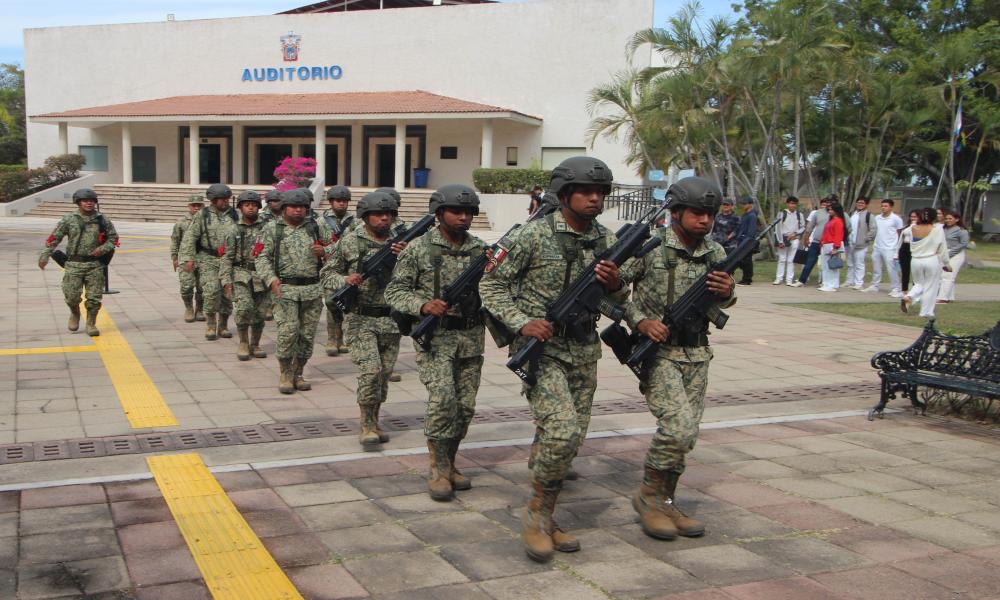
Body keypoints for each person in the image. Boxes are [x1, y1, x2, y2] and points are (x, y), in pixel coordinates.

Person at [480, 156, 624, 563]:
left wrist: (616, 286)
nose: (595, 198)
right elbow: (490, 285)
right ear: (564, 195)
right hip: (543, 350)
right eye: (586, 191)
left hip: (583, 349)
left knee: (569, 438)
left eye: (600, 192)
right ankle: (536, 515)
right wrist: (521, 322)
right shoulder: (531, 235)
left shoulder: (606, 239)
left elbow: (616, 301)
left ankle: (549, 514)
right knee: (561, 431)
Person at [621, 176, 736, 541]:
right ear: (675, 213)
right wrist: (640, 320)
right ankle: (648, 497)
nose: (705, 221)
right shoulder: (650, 247)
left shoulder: (715, 253)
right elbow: (613, 290)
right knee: (677, 428)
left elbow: (724, 302)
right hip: (659, 353)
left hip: (698, 352)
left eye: (710, 215)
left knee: (688, 436)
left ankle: (667, 500)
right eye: (698, 213)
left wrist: (728, 291)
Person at [385, 184, 487, 501]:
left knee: (465, 408)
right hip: (436, 339)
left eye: (469, 212)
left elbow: (498, 289)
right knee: (443, 401)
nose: (463, 217)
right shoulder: (418, 249)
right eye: (456, 210)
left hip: (471, 338)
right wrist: (423, 305)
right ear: (439, 213)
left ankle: (452, 461)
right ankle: (439, 468)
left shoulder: (480, 251)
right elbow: (394, 291)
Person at [322, 192, 407, 447]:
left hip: (391, 320)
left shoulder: (402, 244)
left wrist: (404, 257)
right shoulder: (350, 242)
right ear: (365, 216)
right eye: (379, 214)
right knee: (370, 371)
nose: (384, 218)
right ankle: (366, 424)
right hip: (360, 318)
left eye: (389, 214)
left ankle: (375, 418)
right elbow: (327, 274)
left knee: (383, 376)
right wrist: (345, 280)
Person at [255, 189, 327, 393]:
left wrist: (326, 251)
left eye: (303, 207)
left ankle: (299, 372)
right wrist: (271, 279)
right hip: (284, 290)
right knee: (288, 333)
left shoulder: (316, 227)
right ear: (284, 208)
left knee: (306, 335)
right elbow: (260, 257)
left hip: (312, 290)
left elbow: (339, 249)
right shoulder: (271, 229)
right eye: (294, 207)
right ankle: (285, 372)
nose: (298, 210)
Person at [38, 187, 119, 336]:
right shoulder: (69, 219)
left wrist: (102, 249)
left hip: (95, 264)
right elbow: (54, 238)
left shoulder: (102, 219)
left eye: (91, 201)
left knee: (94, 298)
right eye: (85, 201)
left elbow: (113, 238)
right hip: (73, 264)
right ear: (78, 202)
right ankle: (75, 313)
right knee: (71, 296)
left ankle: (91, 323)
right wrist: (44, 256)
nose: (89, 203)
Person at [179, 183, 238, 340]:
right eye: (221, 199)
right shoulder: (202, 215)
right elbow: (190, 237)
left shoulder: (235, 215)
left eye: (227, 199)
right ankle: (211, 325)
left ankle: (224, 325)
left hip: (229, 259)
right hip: (208, 259)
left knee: (227, 295)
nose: (225, 202)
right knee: (211, 292)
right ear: (213, 200)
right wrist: (188, 258)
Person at [220, 191, 269, 361]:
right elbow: (227, 256)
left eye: (254, 205)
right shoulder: (233, 229)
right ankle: (243, 341)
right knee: (244, 307)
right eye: (247, 205)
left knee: (260, 312)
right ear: (240, 207)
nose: (250, 208)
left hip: (262, 274)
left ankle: (255, 344)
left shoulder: (267, 228)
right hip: (241, 274)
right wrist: (226, 280)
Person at [376, 186, 406, 382]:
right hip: (364, 309)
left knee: (390, 346)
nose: (385, 218)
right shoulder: (354, 236)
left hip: (392, 304)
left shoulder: (403, 231)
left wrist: (406, 252)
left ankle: (388, 368)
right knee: (371, 371)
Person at [321, 186, 355, 356]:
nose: (342, 204)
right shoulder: (321, 222)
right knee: (331, 302)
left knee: (347, 304)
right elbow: (315, 245)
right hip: (331, 268)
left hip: (350, 270)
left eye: (344, 201)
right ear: (331, 202)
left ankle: (342, 338)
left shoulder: (355, 222)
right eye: (338, 201)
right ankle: (332, 338)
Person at [900, 207, 951, 317]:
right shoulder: (937, 229)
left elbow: (903, 233)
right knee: (930, 287)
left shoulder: (912, 228)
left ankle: (909, 296)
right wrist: (947, 264)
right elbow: (943, 248)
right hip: (930, 259)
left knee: (919, 284)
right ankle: (926, 312)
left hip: (915, 260)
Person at [171, 195, 207, 322]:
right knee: (186, 285)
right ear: (189, 206)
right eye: (193, 205)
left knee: (202, 286)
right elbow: (175, 240)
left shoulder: (207, 221)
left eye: (199, 205)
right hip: (185, 257)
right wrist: (174, 258)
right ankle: (189, 308)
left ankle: (200, 309)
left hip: (203, 258)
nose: (196, 208)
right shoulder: (181, 222)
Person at [864, 199, 904, 297]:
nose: (883, 208)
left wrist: (898, 248)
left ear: (891, 207)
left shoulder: (896, 219)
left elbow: (900, 234)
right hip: (877, 246)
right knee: (876, 267)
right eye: (882, 206)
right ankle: (874, 285)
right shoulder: (877, 218)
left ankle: (896, 288)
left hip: (890, 248)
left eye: (886, 206)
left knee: (891, 269)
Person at [792, 196, 832, 287]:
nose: (827, 204)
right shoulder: (817, 213)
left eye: (829, 202)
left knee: (824, 264)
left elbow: (847, 227)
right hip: (816, 241)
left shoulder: (838, 214)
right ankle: (802, 281)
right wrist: (806, 238)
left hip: (828, 243)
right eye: (826, 202)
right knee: (809, 261)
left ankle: (824, 282)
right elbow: (810, 226)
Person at [936, 210, 970, 303]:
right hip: (943, 253)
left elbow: (963, 244)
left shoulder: (962, 231)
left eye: (950, 218)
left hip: (956, 255)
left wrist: (949, 254)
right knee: (941, 276)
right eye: (946, 218)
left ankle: (943, 298)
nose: (948, 220)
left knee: (948, 275)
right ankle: (949, 296)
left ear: (957, 219)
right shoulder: (944, 229)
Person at [845, 197, 876, 289]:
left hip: (861, 244)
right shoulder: (853, 214)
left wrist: (866, 238)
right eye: (858, 202)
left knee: (859, 263)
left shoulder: (869, 216)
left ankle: (859, 283)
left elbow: (873, 229)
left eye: (862, 203)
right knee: (850, 263)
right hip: (850, 243)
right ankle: (849, 281)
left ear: (866, 204)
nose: (860, 204)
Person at [773, 196, 805, 285]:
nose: (793, 205)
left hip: (794, 239)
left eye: (794, 203)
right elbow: (777, 227)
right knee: (782, 259)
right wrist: (780, 241)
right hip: (784, 238)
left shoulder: (799, 214)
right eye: (791, 203)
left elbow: (803, 227)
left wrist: (795, 233)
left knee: (791, 260)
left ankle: (789, 280)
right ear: (787, 204)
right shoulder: (782, 213)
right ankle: (779, 278)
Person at [818, 201, 846, 292]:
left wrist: (836, 247)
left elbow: (838, 235)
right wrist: (822, 241)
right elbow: (826, 232)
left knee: (832, 266)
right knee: (825, 266)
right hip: (825, 244)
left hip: (832, 245)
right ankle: (826, 283)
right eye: (829, 209)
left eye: (831, 209)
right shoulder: (831, 220)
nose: (829, 211)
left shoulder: (838, 221)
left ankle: (833, 284)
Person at [735, 197, 758, 285]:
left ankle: (747, 279)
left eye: (745, 204)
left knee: (747, 260)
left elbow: (751, 231)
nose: (743, 205)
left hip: (747, 241)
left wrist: (747, 240)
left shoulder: (752, 215)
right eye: (742, 204)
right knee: (744, 259)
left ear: (750, 204)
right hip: (742, 240)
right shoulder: (745, 215)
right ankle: (747, 277)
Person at [898, 209, 919, 292]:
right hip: (904, 247)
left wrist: (913, 226)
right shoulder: (907, 227)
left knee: (915, 271)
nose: (913, 218)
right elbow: (901, 239)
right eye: (911, 216)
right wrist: (897, 252)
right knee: (905, 271)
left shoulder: (920, 227)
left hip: (914, 248)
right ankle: (904, 290)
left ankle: (915, 290)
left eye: (915, 216)